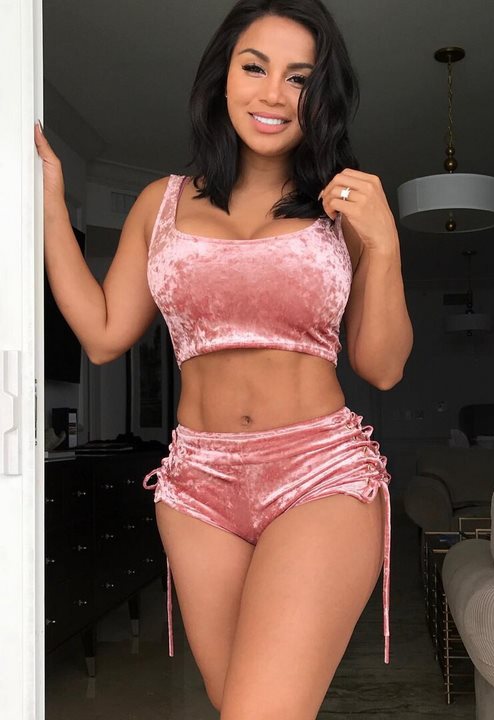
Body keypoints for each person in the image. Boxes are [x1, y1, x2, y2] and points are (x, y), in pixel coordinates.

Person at [35, 0, 413, 716]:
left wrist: (384, 242)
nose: (273, 94)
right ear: (222, 77)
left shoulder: (342, 206)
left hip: (318, 473)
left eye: (299, 78)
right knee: (236, 702)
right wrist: (52, 200)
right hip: (197, 486)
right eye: (254, 67)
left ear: (322, 95)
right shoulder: (162, 202)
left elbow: (383, 366)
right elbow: (104, 334)